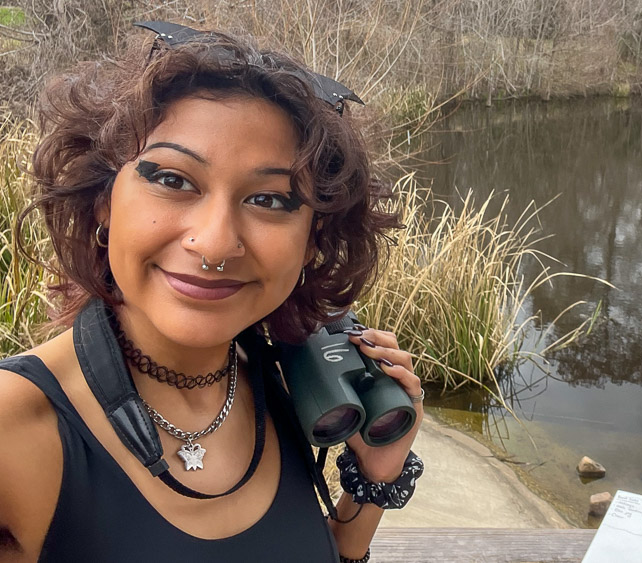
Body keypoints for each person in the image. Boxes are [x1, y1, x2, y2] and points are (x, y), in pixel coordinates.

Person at [0, 21, 423, 562]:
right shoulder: (17, 429)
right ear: (104, 201)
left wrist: (372, 481)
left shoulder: (283, 386)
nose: (216, 244)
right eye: (173, 180)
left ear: (312, 237)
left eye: (270, 200)